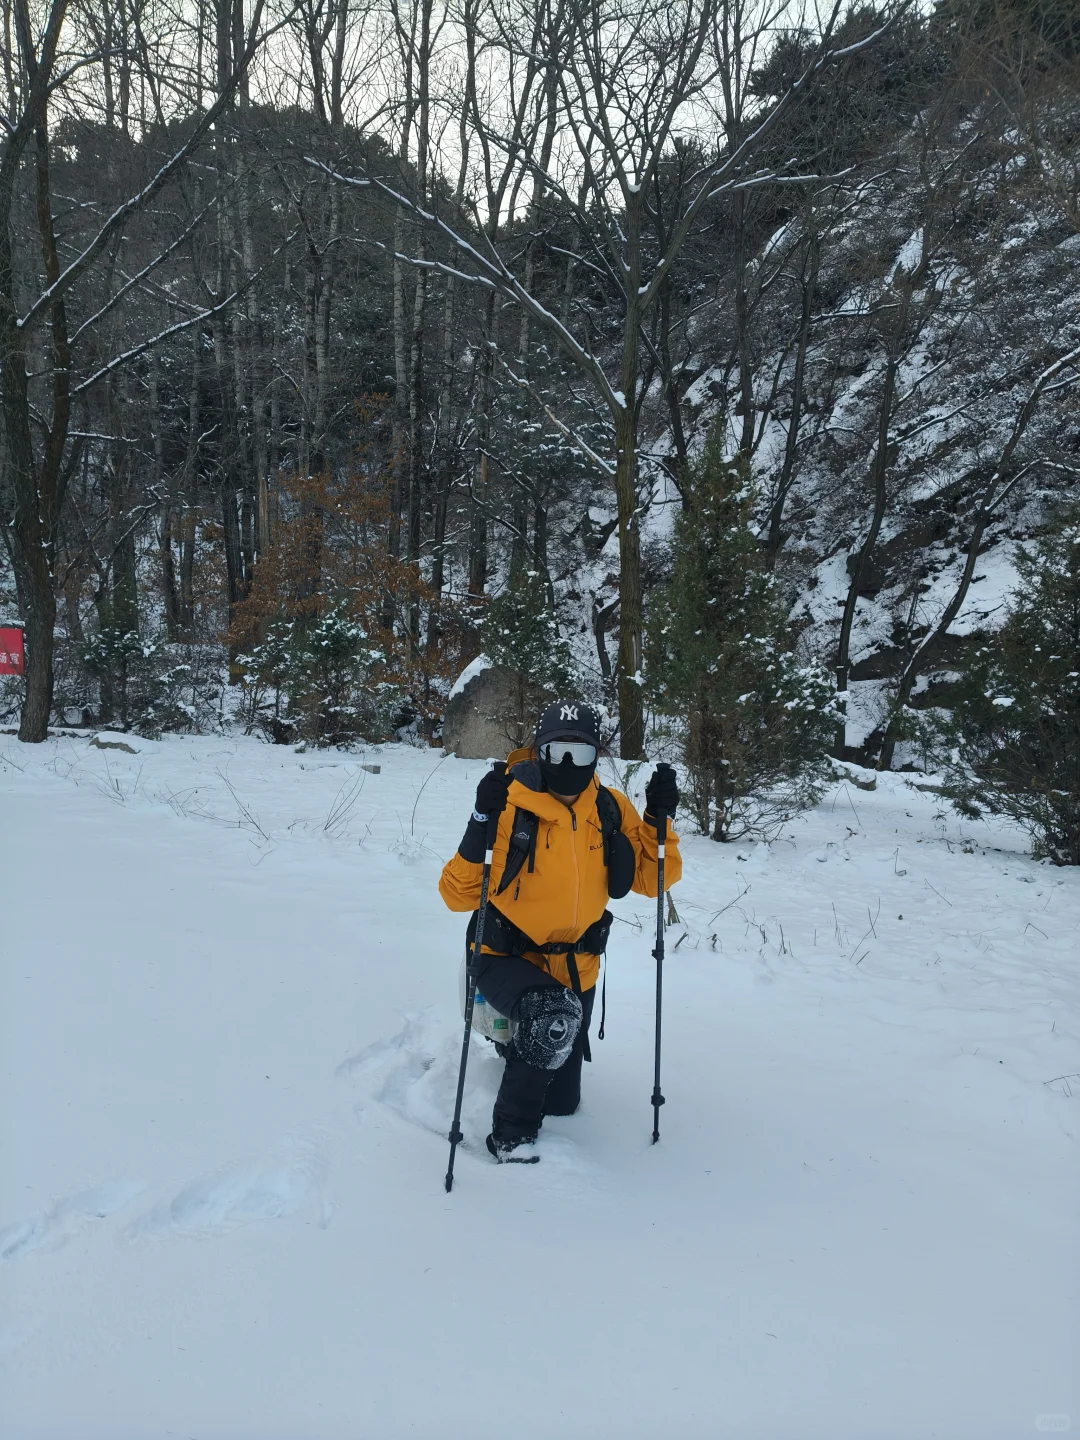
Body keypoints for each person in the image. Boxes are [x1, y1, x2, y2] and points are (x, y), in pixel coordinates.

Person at [439, 699, 681, 1161]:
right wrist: (479, 824)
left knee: (562, 1102)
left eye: (582, 754)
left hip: (576, 967)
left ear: (597, 756)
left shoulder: (610, 808)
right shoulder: (509, 804)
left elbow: (653, 880)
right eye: (557, 753)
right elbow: (456, 895)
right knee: (553, 1016)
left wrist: (657, 822)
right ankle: (510, 1138)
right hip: (504, 955)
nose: (568, 765)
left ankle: (518, 1043)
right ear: (538, 752)